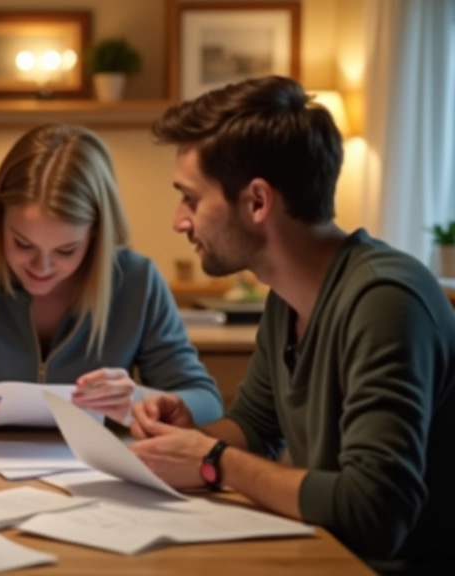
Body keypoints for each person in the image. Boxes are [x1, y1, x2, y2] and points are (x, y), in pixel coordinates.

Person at [129, 75, 455, 575]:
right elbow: (256, 428)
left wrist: (213, 459)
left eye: (191, 198)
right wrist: (186, 436)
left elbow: (375, 511)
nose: (179, 221)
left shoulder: (386, 300)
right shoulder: (288, 298)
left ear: (258, 202)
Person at [0, 123, 224, 446]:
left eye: (67, 249)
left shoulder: (137, 280)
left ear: (97, 234)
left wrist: (139, 399)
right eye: (22, 243)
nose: (42, 267)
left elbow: (206, 403)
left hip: (99, 485)